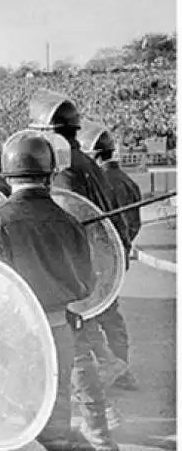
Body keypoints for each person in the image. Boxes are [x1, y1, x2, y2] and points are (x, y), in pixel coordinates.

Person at [0, 130, 100, 450]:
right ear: (49, 173)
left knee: (13, 421)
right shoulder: (69, 222)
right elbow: (87, 283)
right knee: (56, 420)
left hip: (13, 335)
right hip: (59, 331)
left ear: (6, 173)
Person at [29, 90, 127, 448]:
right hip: (94, 266)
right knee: (80, 346)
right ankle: (101, 417)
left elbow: (70, 219)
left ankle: (98, 430)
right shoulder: (82, 160)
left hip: (77, 268)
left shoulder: (66, 168)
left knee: (77, 349)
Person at [89, 129, 142, 391]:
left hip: (100, 259)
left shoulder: (99, 182)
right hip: (118, 257)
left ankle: (116, 369)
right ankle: (122, 367)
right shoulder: (127, 181)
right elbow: (134, 224)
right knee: (112, 318)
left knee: (95, 318)